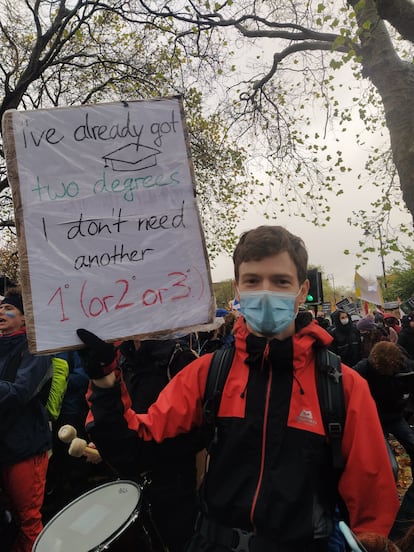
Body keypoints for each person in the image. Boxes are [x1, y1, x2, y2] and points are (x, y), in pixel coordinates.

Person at [80, 225, 399, 551]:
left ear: (302, 291)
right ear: (237, 288)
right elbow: (137, 446)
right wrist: (105, 383)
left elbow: (372, 503)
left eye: (280, 281)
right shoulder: (208, 373)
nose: (265, 292)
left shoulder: (343, 387)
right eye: (252, 281)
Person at [118, 337, 201, 552]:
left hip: (177, 483)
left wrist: (200, 482)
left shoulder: (179, 359)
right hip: (138, 482)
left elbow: (202, 428)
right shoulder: (124, 361)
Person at [0, 287, 52, 552]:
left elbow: (21, 392)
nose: (1, 312)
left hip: (25, 449)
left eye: (9, 308)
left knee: (27, 520)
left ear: (25, 318)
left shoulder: (37, 351)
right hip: (4, 447)